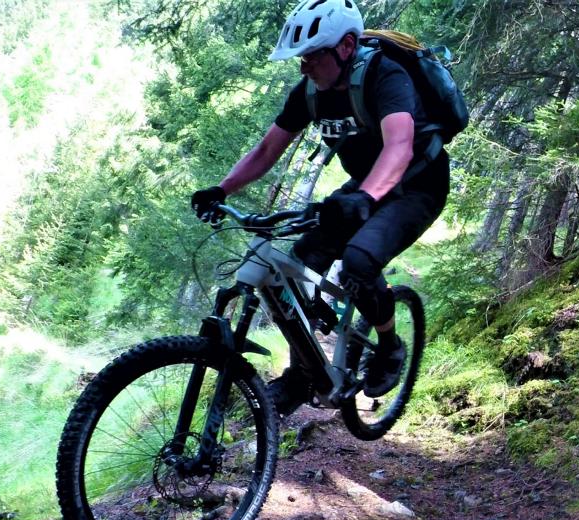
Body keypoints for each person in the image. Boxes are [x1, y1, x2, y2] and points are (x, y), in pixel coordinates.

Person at [190, 0, 450, 416]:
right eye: (301, 57)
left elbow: (399, 147)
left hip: (418, 184)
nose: (303, 65)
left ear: (346, 46)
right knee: (300, 263)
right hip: (364, 184)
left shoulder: (385, 75)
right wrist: (221, 189)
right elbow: (267, 149)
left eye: (312, 55)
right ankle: (303, 374)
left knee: (358, 263)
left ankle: (389, 346)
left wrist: (365, 198)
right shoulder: (310, 91)